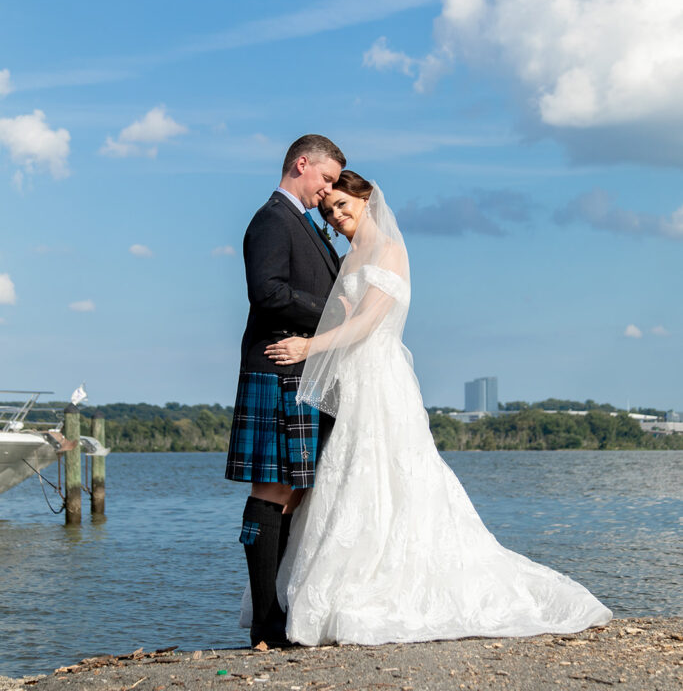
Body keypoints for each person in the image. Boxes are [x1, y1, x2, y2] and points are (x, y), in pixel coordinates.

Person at [265, 171, 613, 646]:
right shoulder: (348, 258)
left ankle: (388, 582)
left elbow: (367, 323)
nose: (337, 215)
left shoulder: (389, 250)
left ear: (366, 199)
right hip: (353, 381)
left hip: (381, 377)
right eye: (328, 211)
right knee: (348, 475)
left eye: (343, 204)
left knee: (393, 473)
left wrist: (310, 348)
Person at [225, 134, 345, 647]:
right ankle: (265, 622)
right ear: (302, 164)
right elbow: (267, 292)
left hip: (304, 373)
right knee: (271, 490)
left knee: (294, 492)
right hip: (278, 368)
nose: (328, 191)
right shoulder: (272, 218)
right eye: (327, 179)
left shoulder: (305, 224)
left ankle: (278, 611)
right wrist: (336, 313)